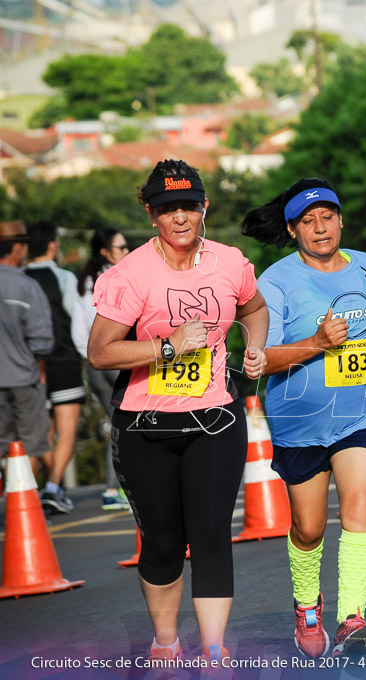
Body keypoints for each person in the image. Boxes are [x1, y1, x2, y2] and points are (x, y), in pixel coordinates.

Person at [243, 179, 366, 658]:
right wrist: (317, 343)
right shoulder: (274, 282)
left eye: (326, 216)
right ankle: (307, 604)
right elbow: (260, 359)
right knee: (308, 529)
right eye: (307, 221)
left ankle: (352, 616)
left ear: (341, 218)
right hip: (299, 420)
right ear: (292, 231)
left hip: (362, 410)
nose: (319, 227)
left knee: (359, 510)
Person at [88, 159, 268, 666]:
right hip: (145, 427)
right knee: (165, 544)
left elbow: (253, 308)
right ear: (151, 215)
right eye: (168, 209)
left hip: (214, 420)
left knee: (212, 535)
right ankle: (165, 642)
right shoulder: (130, 275)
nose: (181, 217)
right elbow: (100, 352)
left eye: (189, 205)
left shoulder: (230, 262)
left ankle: (213, 652)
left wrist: (254, 346)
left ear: (204, 206)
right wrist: (165, 348)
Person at [25, 219, 88, 514]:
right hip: (64, 360)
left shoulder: (20, 277)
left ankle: (51, 487)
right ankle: (52, 487)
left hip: (30, 365)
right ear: (53, 245)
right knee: (67, 429)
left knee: (43, 431)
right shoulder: (63, 278)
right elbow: (75, 322)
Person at [73, 228, 131, 510]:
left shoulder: (83, 282)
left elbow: (77, 330)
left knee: (116, 424)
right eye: (121, 248)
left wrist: (92, 354)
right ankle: (118, 488)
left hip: (93, 365)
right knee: (130, 424)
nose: (127, 252)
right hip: (118, 358)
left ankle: (114, 488)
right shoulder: (118, 278)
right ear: (105, 252)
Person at [0, 220, 54, 477]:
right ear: (17, 249)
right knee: (27, 448)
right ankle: (22, 513)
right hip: (23, 379)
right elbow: (42, 341)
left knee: (4, 447)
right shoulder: (28, 287)